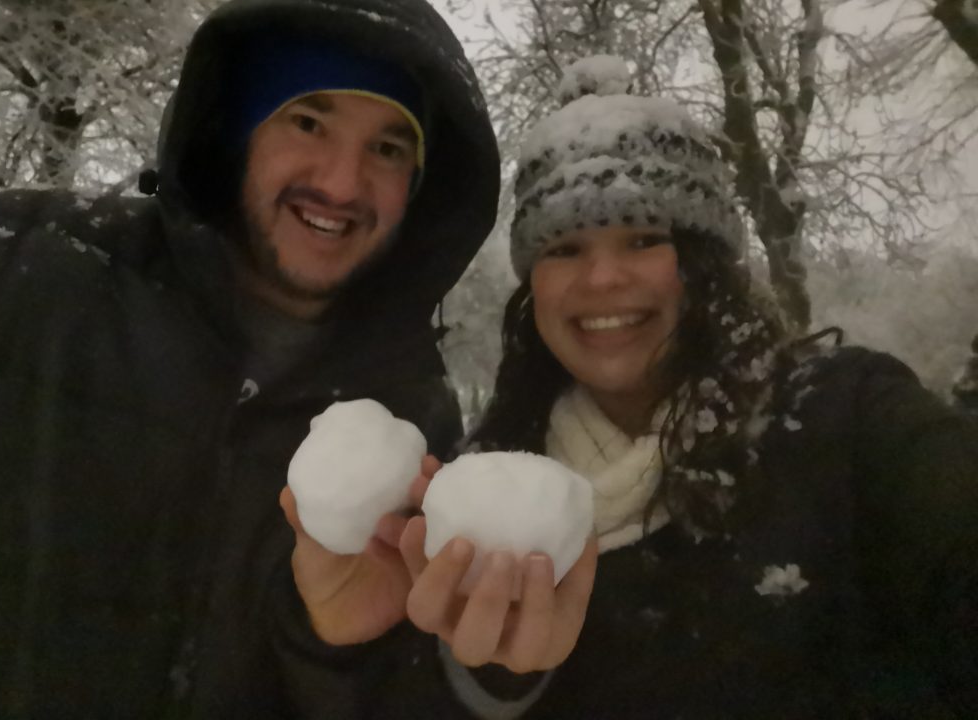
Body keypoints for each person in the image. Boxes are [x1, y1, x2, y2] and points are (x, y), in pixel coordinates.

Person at [0, 0, 499, 717]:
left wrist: (335, 649)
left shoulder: (414, 419)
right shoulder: (7, 267)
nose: (342, 184)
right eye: (308, 120)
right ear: (236, 131)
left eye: (387, 147)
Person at [396, 56, 978, 718]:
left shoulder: (847, 419)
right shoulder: (488, 489)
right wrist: (494, 684)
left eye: (644, 238)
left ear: (704, 266)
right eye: (565, 248)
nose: (604, 278)